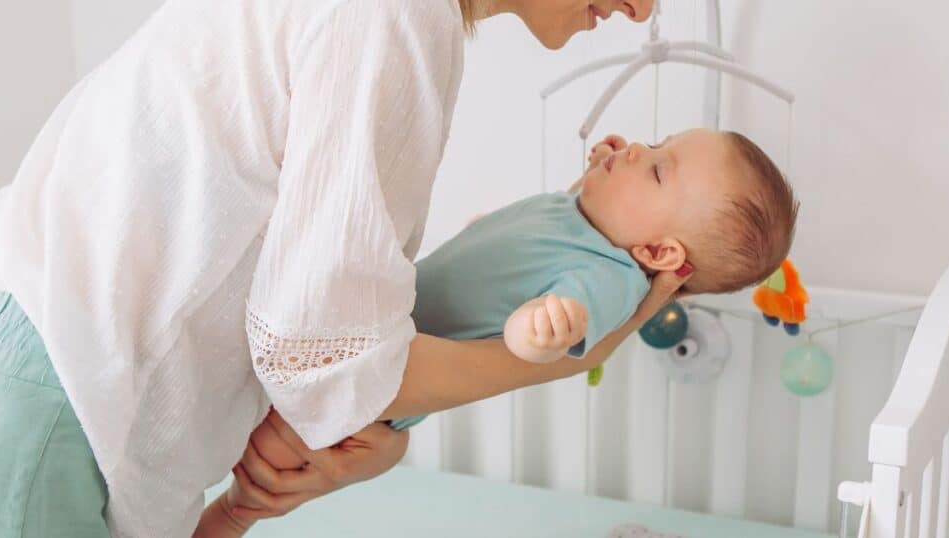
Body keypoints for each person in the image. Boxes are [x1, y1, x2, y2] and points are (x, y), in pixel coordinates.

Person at [0, 1, 688, 537]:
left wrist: (369, 426)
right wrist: (545, 366)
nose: (640, 7)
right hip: (51, 394)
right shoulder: (393, 18)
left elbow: (316, 332)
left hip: (33, 370)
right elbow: (322, 356)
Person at [229, 129, 798, 526]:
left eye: (655, 169)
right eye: (658, 140)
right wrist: (601, 167)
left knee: (269, 456)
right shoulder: (582, 216)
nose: (636, 150)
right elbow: (556, 214)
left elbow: (546, 343)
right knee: (250, 409)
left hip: (374, 395)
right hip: (374, 330)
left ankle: (227, 520)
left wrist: (539, 331)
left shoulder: (606, 278)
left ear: (656, 250)